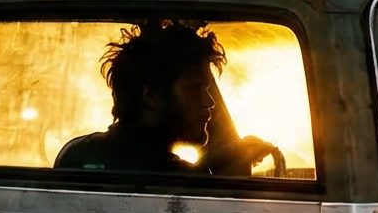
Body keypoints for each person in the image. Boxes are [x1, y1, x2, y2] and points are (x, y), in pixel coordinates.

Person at [53, 21, 277, 177]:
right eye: (194, 90)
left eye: (207, 90)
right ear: (150, 96)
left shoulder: (74, 155)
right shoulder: (181, 181)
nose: (209, 103)